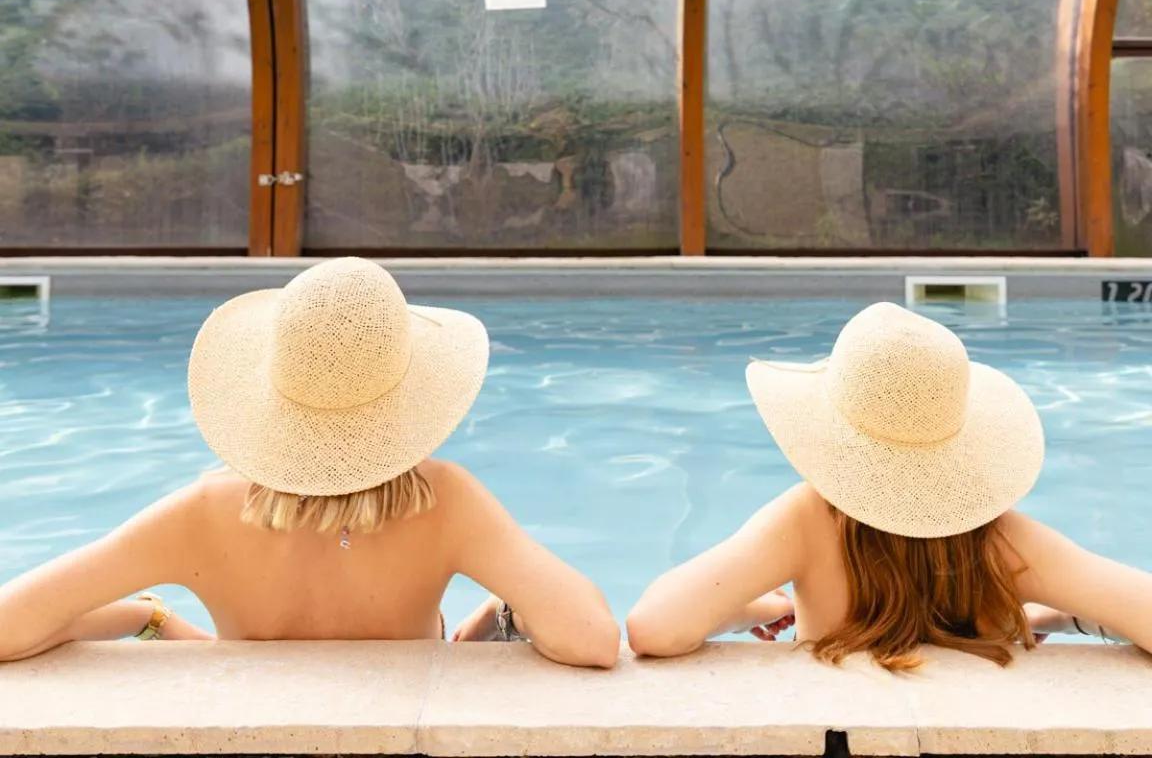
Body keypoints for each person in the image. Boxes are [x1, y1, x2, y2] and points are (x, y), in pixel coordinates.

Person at [0, 257, 618, 668]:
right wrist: (501, 612)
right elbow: (591, 638)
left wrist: (147, 618)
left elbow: (8, 625)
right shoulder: (443, 502)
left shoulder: (205, 513)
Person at [627, 302, 1152, 668]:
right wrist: (1061, 616)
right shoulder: (1004, 542)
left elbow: (654, 627)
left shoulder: (805, 521)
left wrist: (747, 610)